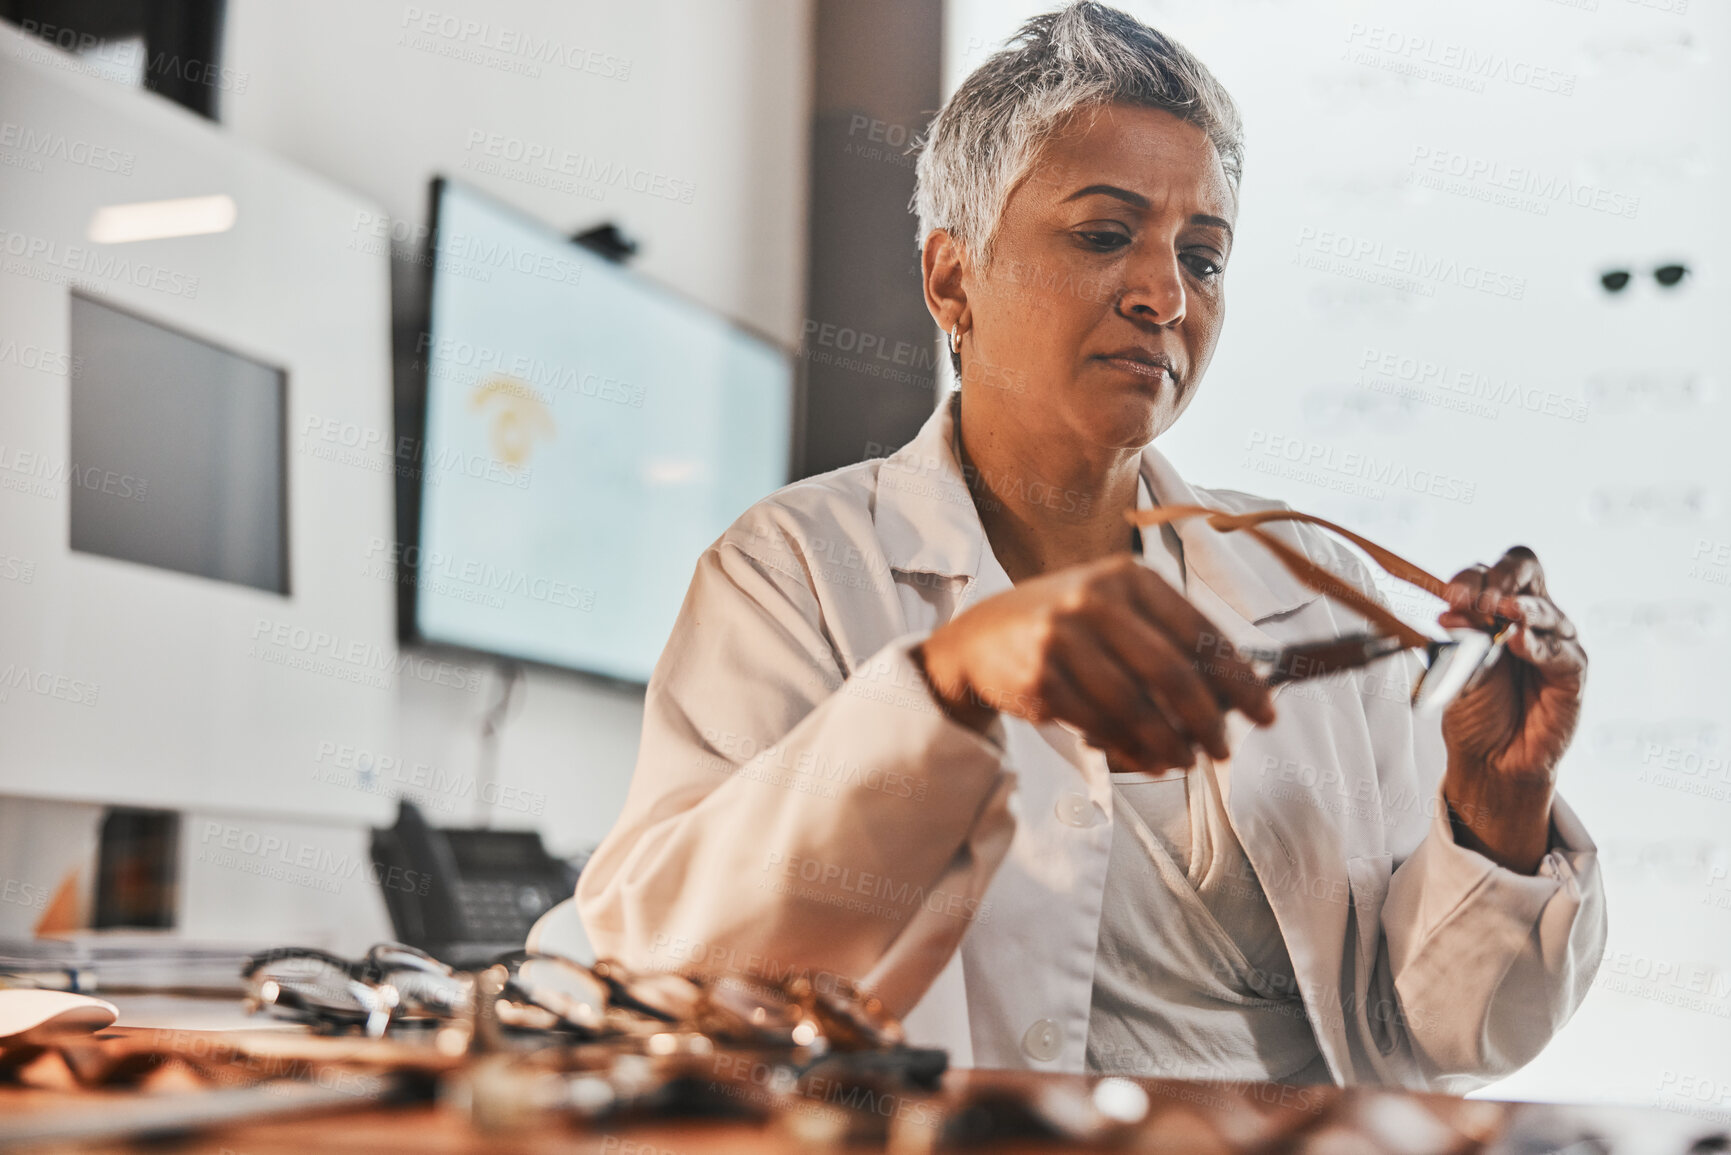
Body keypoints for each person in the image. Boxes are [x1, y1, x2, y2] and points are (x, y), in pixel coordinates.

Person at [573, 1, 1604, 1090]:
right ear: (951, 280)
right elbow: (676, 977)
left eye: (1203, 258)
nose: (1165, 296)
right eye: (1105, 235)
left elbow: (1444, 1033)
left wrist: (1497, 811)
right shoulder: (795, 572)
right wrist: (947, 688)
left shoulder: (1318, 591)